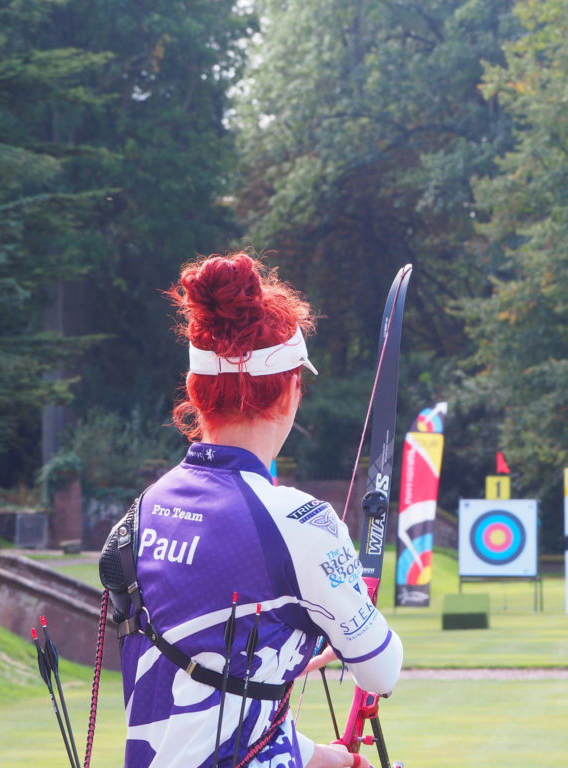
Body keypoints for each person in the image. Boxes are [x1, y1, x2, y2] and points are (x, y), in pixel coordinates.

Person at [112, 252, 402, 768]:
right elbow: (382, 672)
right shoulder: (301, 524)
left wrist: (337, 761)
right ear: (290, 390)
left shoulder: (145, 509)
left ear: (197, 394)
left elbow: (201, 720)